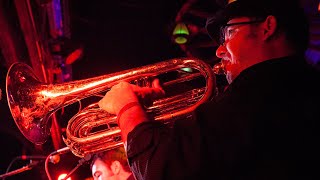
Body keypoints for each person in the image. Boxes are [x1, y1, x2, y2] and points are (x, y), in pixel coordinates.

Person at [98, 0, 320, 179]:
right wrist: (154, 118)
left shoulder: (258, 93)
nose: (219, 51)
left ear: (267, 28)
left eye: (229, 34)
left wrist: (126, 108)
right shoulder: (300, 87)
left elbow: (159, 170)